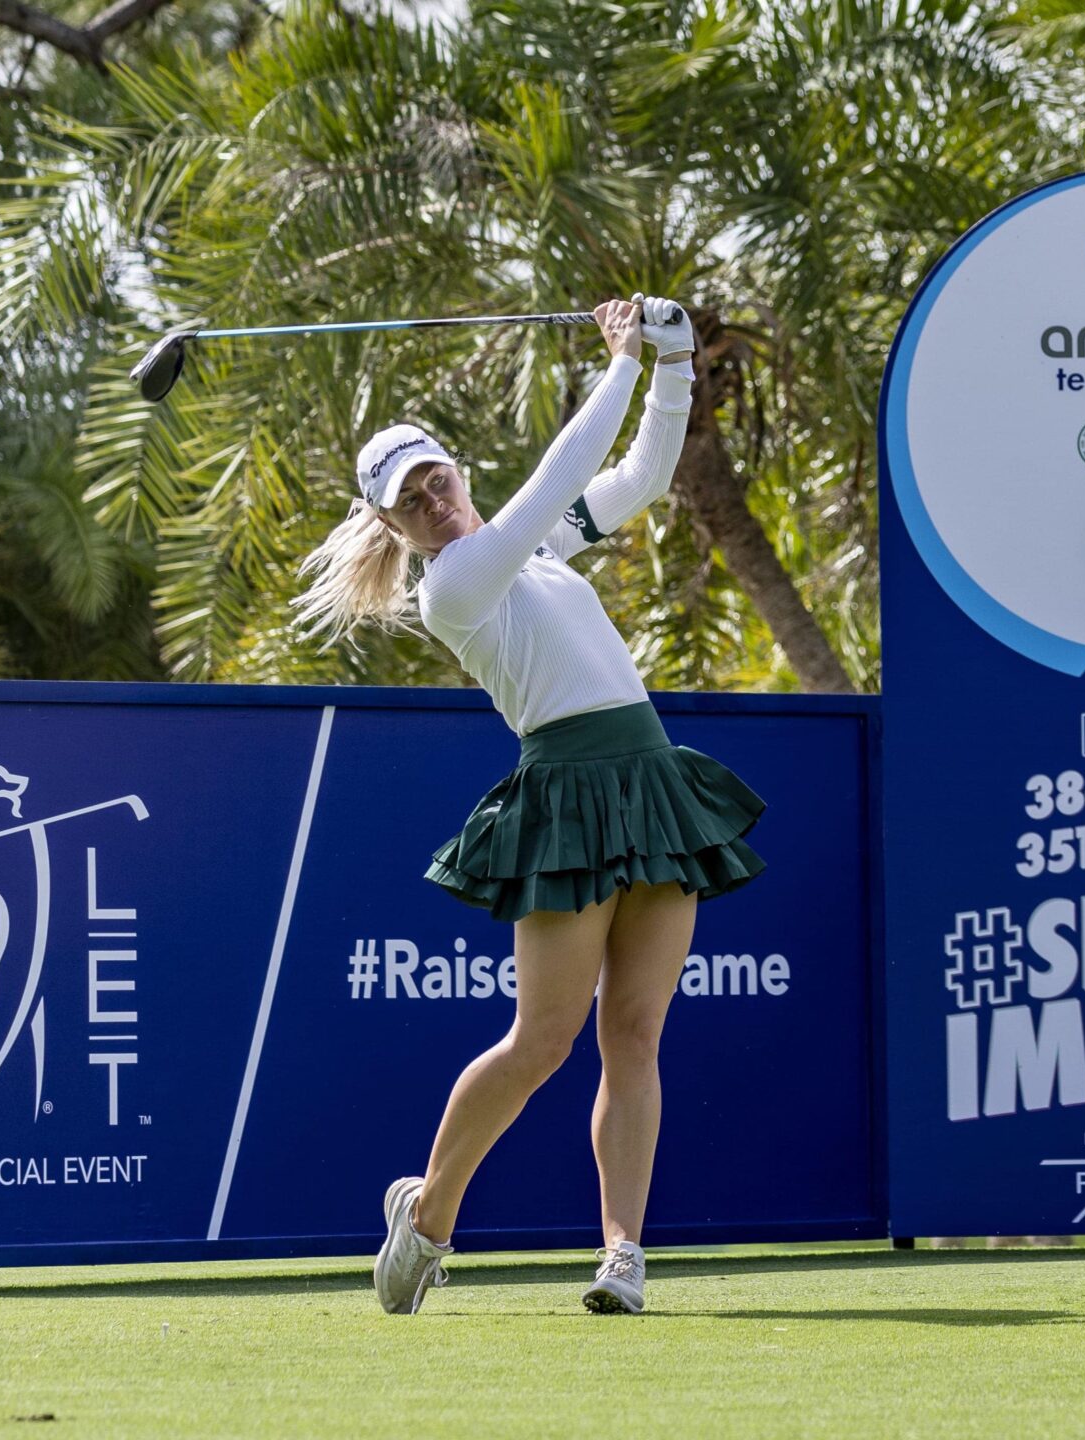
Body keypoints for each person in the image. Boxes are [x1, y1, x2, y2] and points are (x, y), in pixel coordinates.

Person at [295, 296, 765, 1316]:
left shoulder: (534, 546)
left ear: (455, 467)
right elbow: (562, 466)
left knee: (633, 1032)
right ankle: (428, 1214)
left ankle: (623, 1256)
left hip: (649, 781)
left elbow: (634, 478)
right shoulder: (455, 582)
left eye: (435, 475)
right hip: (567, 795)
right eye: (409, 498)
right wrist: (623, 356)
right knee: (542, 1041)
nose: (431, 497)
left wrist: (673, 361)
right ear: (390, 524)